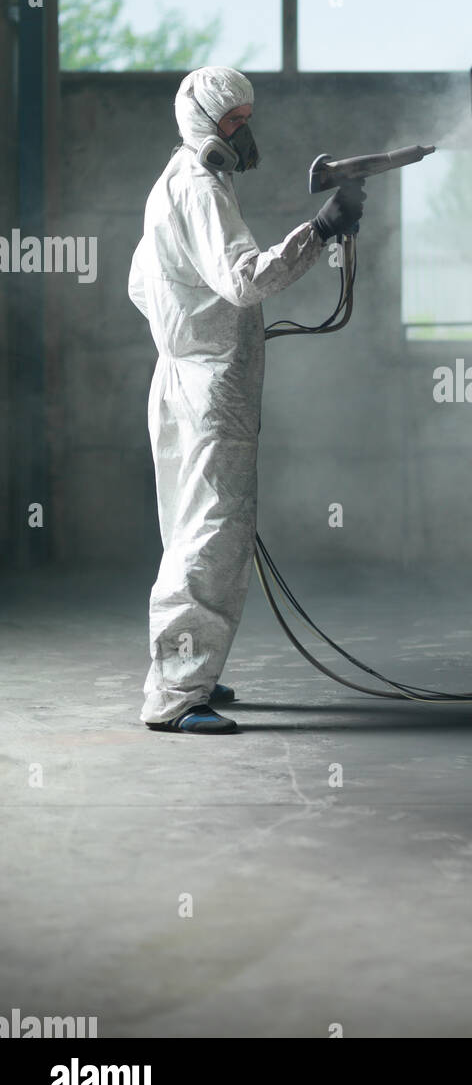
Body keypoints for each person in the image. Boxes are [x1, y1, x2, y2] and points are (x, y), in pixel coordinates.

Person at [128, 66, 364, 735]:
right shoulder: (201, 186)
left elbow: (140, 284)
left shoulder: (176, 179)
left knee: (187, 530)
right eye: (233, 120)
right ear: (203, 120)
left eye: (245, 118)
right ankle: (176, 699)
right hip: (212, 391)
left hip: (178, 379)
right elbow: (241, 281)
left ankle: (188, 669)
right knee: (213, 536)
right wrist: (319, 231)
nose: (243, 131)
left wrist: (186, 336)